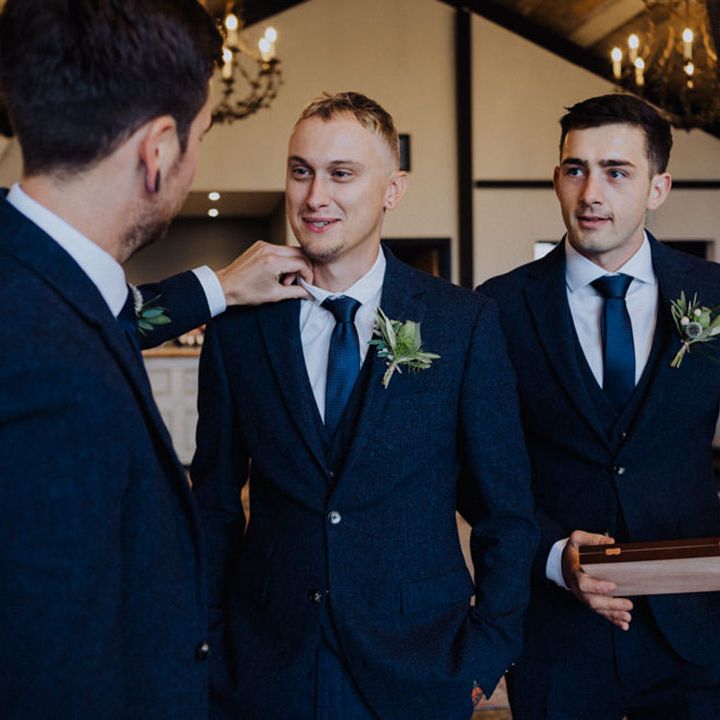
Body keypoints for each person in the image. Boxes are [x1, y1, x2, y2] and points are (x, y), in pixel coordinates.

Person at [0, 1, 310, 717]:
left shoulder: (38, 281)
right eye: (202, 136)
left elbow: (103, 313)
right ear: (160, 148)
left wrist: (218, 287)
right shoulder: (43, 374)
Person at [191, 91, 538, 720]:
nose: (315, 196)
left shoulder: (463, 324)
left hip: (420, 662)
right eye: (301, 171)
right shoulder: (238, 330)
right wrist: (211, 644)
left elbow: (505, 511)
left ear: (392, 190)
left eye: (341, 174)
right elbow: (214, 503)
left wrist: (487, 650)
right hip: (266, 662)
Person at [480, 93, 720, 719]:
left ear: (658, 187)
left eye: (616, 172)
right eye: (575, 169)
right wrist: (553, 555)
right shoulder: (496, 309)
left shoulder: (714, 295)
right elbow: (477, 470)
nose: (591, 193)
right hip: (557, 634)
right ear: (556, 178)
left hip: (696, 630)